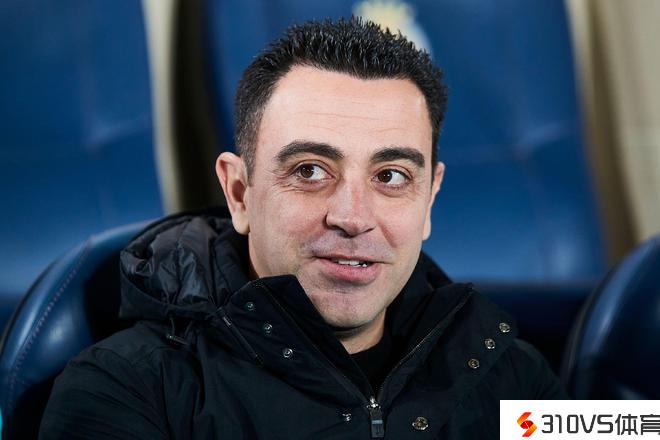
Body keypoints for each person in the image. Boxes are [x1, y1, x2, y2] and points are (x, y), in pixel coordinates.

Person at [40, 17, 565, 439]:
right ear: (239, 193)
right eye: (310, 171)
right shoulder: (122, 392)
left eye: (391, 176)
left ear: (429, 198)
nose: (353, 217)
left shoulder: (516, 378)